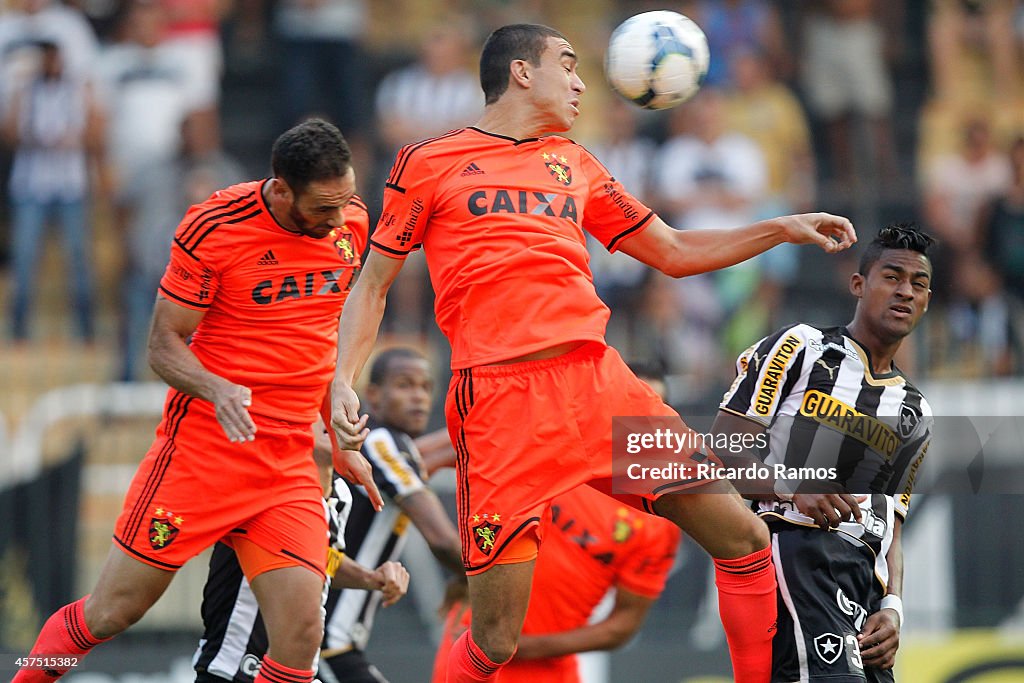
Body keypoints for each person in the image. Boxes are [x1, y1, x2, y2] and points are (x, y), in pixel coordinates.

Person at [329, 24, 856, 683]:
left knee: (744, 538)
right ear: (522, 72)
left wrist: (779, 226)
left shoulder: (574, 162)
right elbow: (372, 283)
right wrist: (343, 381)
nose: (582, 82)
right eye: (569, 66)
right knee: (495, 637)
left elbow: (673, 251)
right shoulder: (428, 161)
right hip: (500, 402)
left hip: (598, 387)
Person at [13, 119, 383, 683]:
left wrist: (336, 414)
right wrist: (217, 386)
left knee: (301, 636)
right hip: (207, 451)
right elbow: (163, 344)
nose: (339, 219)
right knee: (112, 612)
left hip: (287, 462)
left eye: (345, 201)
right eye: (323, 208)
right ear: (281, 188)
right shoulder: (216, 226)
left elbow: (320, 330)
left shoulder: (349, 219)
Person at [715, 223, 935, 682]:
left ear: (927, 301)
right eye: (891, 277)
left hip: (864, 589)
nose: (905, 292)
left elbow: (891, 523)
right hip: (797, 554)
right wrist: (794, 487)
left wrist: (893, 606)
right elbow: (724, 448)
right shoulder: (801, 347)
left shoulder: (916, 411)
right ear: (859, 284)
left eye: (918, 284)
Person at [194, 420, 410, 683]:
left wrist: (370, 577)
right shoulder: (260, 483)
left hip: (298, 671)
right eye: (318, 405)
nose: (330, 417)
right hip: (234, 669)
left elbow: (316, 560)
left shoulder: (340, 496)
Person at [431, 484, 681, 683]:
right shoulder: (564, 441)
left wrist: (519, 647)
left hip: (544, 668)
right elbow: (460, 450)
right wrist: (463, 564)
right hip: (473, 647)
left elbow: (622, 625)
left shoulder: (657, 515)